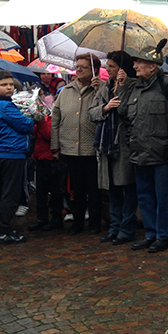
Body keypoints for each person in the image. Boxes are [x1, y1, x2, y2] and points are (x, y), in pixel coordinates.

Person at [119, 41, 168, 254]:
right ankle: (151, 233)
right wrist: (122, 87)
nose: (135, 66)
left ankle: (163, 236)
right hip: (138, 152)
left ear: (153, 66)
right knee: (144, 196)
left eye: (139, 62)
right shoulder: (134, 87)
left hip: (161, 152)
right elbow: (123, 114)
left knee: (163, 197)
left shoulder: (167, 85)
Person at [89, 51, 139, 245]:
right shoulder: (104, 88)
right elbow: (91, 113)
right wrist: (105, 108)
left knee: (127, 186)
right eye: (107, 65)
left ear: (121, 68)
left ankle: (126, 228)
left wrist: (124, 87)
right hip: (106, 144)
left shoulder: (134, 86)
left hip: (125, 145)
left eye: (111, 66)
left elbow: (129, 112)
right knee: (112, 189)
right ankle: (115, 227)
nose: (107, 69)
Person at [51, 54, 103, 235]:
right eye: (78, 66)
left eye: (84, 67)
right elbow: (55, 118)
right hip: (70, 148)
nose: (79, 69)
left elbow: (105, 113)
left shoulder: (101, 90)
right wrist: (55, 146)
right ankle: (78, 221)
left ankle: (95, 222)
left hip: (92, 149)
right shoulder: (66, 91)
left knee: (94, 189)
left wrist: (99, 92)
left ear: (94, 70)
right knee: (77, 189)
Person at [0, 70, 35, 245]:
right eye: (4, 85)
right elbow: (26, 125)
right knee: (10, 195)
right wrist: (30, 117)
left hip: (0, 152)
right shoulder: (4, 106)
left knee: (1, 193)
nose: (9, 88)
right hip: (12, 152)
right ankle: (2, 232)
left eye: (11, 84)